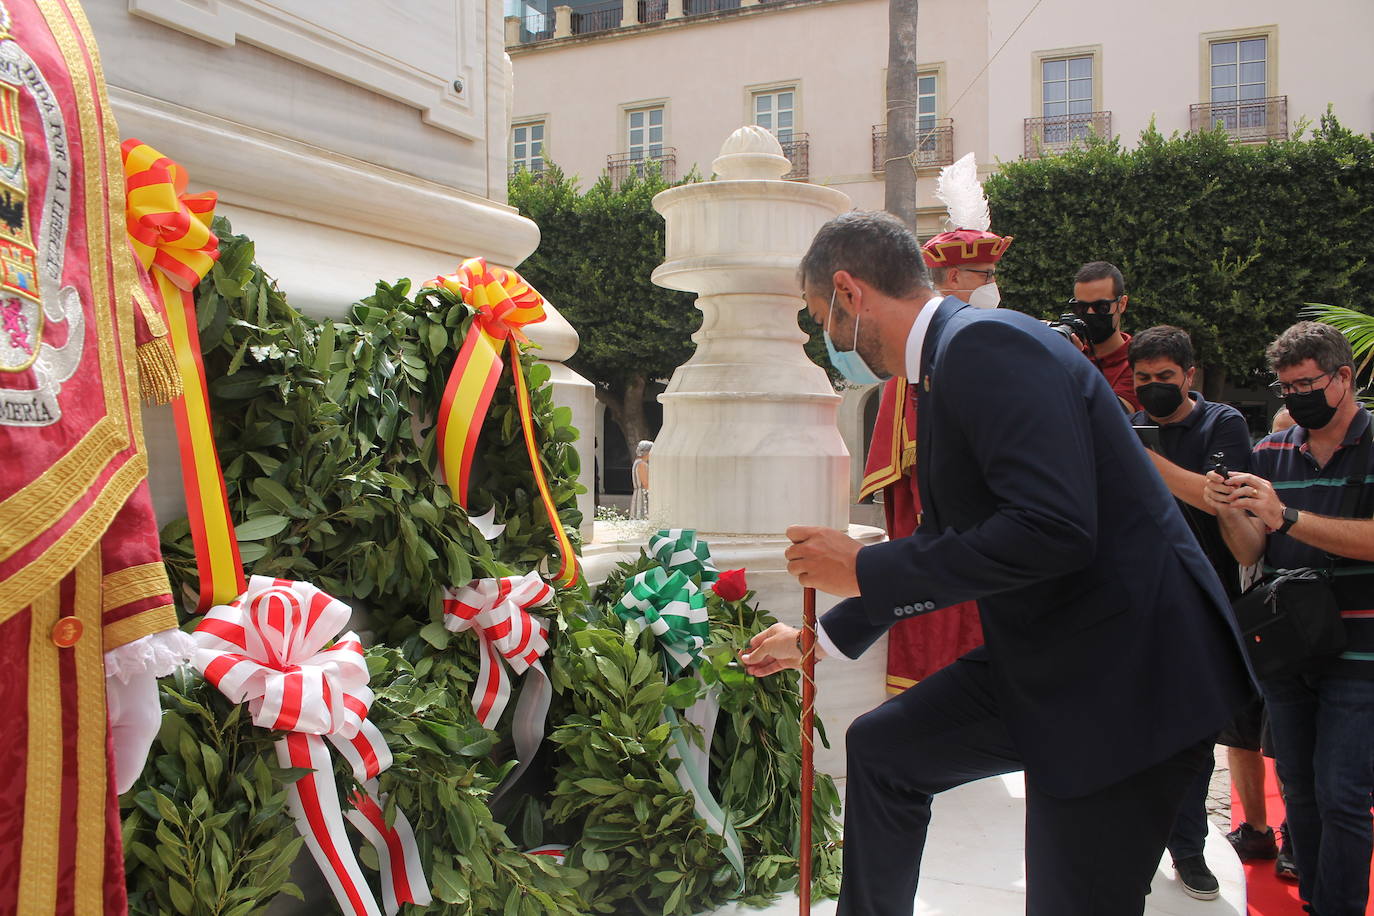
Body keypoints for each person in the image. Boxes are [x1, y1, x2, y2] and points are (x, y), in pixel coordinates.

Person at [742, 211, 1254, 916]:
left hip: (1125, 680)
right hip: (1052, 653)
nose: (825, 340)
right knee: (886, 750)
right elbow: (960, 537)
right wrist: (821, 636)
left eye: (819, 316)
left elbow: (1051, 530)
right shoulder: (950, 362)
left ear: (849, 293)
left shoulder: (985, 346)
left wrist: (862, 568)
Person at [1205, 321, 1374, 916]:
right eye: (1286, 388)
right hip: (1287, 646)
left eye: (1307, 384)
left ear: (1344, 377)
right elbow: (1253, 549)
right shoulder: (1273, 450)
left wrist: (1287, 516)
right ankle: (1316, 900)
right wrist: (1230, 511)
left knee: (1344, 795)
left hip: (1361, 650)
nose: (1296, 398)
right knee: (1300, 792)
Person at [860, 152, 1003, 693]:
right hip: (942, 524)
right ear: (957, 276)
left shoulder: (990, 339)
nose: (993, 284)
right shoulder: (918, 357)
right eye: (986, 274)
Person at [1128, 325, 1253, 900]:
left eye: (1165, 379)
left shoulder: (1221, 424)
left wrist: (1145, 459)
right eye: (1144, 379)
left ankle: (1188, 848)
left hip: (1203, 601)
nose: (1153, 388)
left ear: (1190, 376)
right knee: (1133, 730)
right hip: (1135, 600)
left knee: (1193, 738)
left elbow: (1218, 495)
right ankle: (1134, 842)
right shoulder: (1126, 426)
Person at [1072, 260, 1141, 411]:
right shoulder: (1074, 353)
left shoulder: (1137, 361)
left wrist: (1075, 364)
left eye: (1101, 307)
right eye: (1081, 307)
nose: (1090, 314)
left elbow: (1114, 415)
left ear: (1122, 304)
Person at [630, 439, 652, 519]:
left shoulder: (638, 462)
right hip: (642, 496)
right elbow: (646, 484)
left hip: (639, 494)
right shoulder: (642, 464)